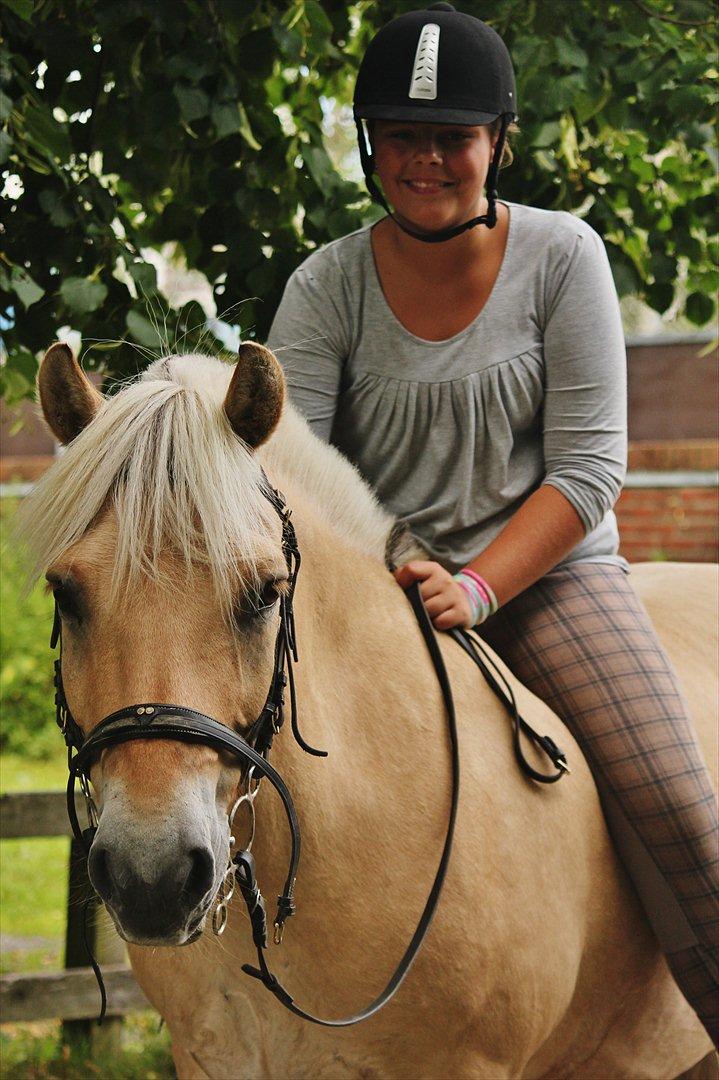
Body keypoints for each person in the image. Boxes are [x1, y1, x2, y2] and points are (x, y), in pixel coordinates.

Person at [267, 2, 719, 1042]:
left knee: (680, 816)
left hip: (549, 582)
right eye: (401, 136)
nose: (425, 160)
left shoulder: (563, 259)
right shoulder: (326, 284)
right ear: (370, 142)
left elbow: (590, 467)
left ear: (496, 141)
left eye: (452, 136)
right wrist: (389, 573)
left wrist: (475, 587)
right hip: (382, 593)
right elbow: (284, 466)